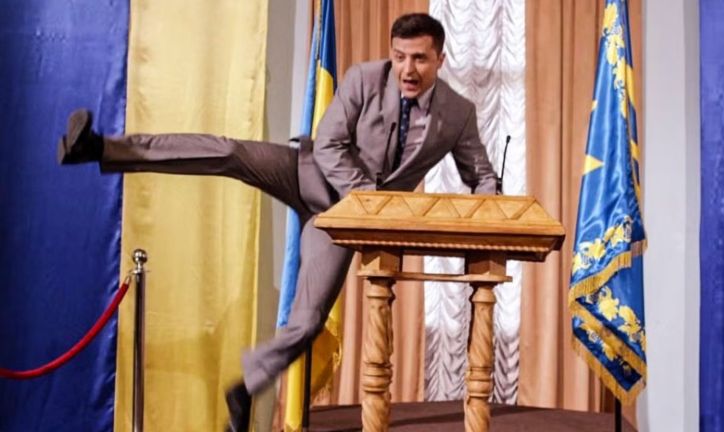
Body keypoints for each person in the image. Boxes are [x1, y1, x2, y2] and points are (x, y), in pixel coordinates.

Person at [58, 13, 498, 432]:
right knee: (229, 152)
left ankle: (246, 385)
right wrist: (367, 198)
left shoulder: (457, 113)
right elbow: (329, 143)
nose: (407, 69)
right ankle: (100, 148)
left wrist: (493, 205)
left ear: (440, 59)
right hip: (306, 173)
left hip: (338, 226)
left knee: (307, 322)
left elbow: (480, 174)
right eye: (400, 56)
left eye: (419, 59)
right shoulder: (365, 78)